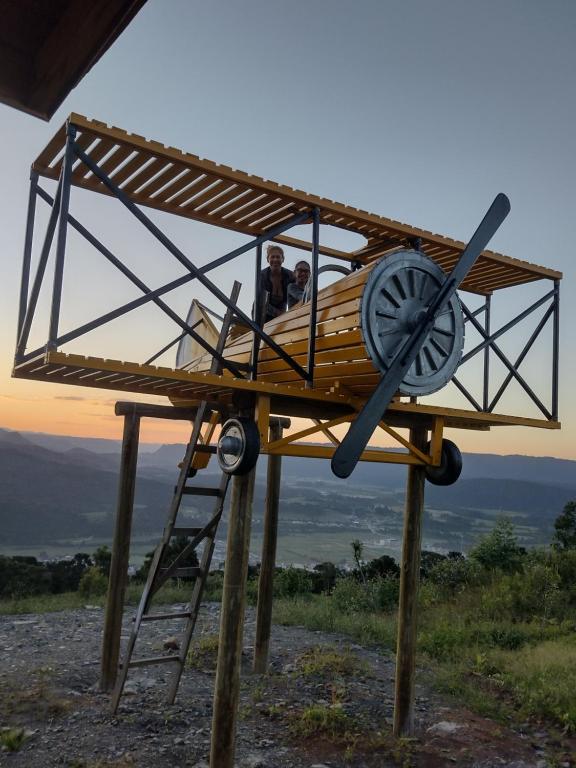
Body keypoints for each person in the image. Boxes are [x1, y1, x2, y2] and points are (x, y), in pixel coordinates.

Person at [258, 244, 294, 322]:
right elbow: (261, 300)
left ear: (283, 259)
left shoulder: (290, 275)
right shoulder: (262, 275)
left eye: (278, 257)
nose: (275, 259)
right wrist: (280, 314)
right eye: (272, 257)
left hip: (281, 312)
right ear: (268, 259)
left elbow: (298, 288)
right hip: (262, 313)